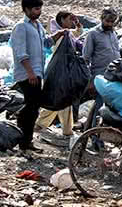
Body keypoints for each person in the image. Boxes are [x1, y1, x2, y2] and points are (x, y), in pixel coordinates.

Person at [11, 0, 67, 152]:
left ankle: (25, 139)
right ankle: (23, 140)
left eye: (40, 9)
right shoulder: (21, 27)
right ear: (27, 10)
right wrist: (30, 73)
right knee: (32, 107)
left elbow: (46, 43)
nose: (39, 12)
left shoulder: (38, 26)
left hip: (37, 72)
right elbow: (20, 53)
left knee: (33, 107)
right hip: (28, 74)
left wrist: (60, 35)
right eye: (36, 9)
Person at [36, 11, 85, 146]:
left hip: (65, 71)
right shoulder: (57, 34)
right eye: (69, 19)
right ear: (62, 20)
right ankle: (41, 125)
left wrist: (78, 25)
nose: (71, 22)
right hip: (58, 72)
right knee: (58, 99)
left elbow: (77, 34)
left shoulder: (67, 34)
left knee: (64, 99)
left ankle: (66, 130)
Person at [83, 8, 121, 77]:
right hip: (100, 73)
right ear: (102, 19)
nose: (109, 24)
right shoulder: (93, 34)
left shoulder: (113, 33)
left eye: (112, 22)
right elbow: (86, 56)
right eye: (107, 21)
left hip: (115, 71)